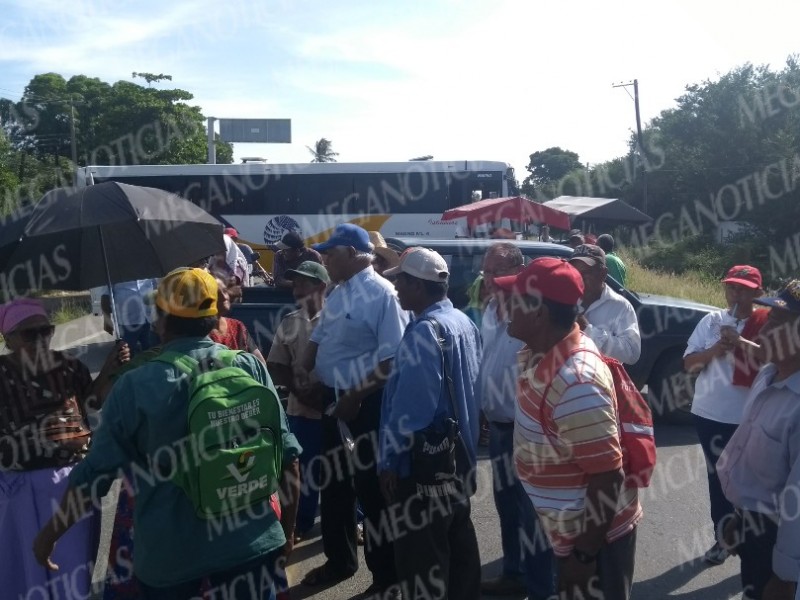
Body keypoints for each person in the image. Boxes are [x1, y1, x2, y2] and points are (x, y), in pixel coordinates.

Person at [33, 268, 302, 600]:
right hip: (253, 544)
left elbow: (94, 477)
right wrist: (286, 533)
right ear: (214, 316)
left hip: (171, 558)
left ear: (160, 319)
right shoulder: (249, 366)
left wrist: (49, 536)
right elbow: (288, 458)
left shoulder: (135, 385)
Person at [497, 258, 642, 600]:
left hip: (594, 541)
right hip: (566, 531)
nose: (506, 308)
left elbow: (608, 477)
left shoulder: (576, 381)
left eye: (514, 300)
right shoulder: (539, 352)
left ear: (539, 314)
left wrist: (584, 557)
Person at [300, 223, 408, 598]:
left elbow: (393, 359)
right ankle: (340, 561)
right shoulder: (338, 291)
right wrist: (314, 373)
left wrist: (354, 397)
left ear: (353, 253)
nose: (325, 259)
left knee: (372, 492)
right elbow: (324, 337)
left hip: (366, 404)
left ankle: (386, 577)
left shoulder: (383, 295)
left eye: (331, 253)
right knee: (335, 486)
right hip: (334, 399)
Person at [0, 297, 127, 599]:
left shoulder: (70, 367)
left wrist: (110, 370)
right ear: (8, 339)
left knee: (70, 569)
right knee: (24, 571)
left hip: (71, 482)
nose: (41, 339)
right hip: (18, 487)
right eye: (30, 334)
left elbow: (90, 405)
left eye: (46, 331)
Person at [378, 247, 482, 599]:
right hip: (457, 459)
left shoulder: (425, 331)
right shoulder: (463, 322)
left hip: (423, 468)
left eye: (401, 283)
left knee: (422, 560)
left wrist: (392, 463)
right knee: (458, 552)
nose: (396, 290)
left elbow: (413, 411)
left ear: (418, 287)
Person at [478, 243, 555, 599]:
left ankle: (542, 586)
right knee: (506, 505)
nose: (488, 278)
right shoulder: (490, 309)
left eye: (496, 271)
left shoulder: (529, 316)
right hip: (497, 427)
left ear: (516, 272)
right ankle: (514, 571)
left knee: (532, 513)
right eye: (486, 271)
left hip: (526, 430)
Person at [717, 279, 800, 600]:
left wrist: (785, 575)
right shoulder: (768, 376)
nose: (762, 332)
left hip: (781, 541)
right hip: (753, 526)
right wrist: (739, 516)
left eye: (776, 323)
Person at [683, 265, 767, 565]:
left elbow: (774, 358)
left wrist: (741, 342)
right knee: (718, 480)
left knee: (754, 485)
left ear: (758, 293)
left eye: (744, 289)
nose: (736, 294)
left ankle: (754, 544)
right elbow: (690, 364)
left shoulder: (767, 322)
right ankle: (722, 539)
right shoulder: (712, 321)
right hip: (709, 415)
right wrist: (718, 347)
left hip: (750, 419)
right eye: (732, 287)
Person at [267, 261, 330, 542]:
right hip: (301, 412)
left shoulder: (340, 319)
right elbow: (276, 364)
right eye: (295, 281)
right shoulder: (290, 322)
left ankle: (354, 521)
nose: (297, 287)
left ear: (321, 286)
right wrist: (300, 391)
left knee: (344, 470)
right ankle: (301, 523)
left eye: (303, 282)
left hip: (337, 410)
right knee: (301, 471)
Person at [569, 244, 641, 365]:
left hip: (600, 381)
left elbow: (632, 353)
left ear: (603, 273)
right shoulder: (564, 298)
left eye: (586, 272)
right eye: (575, 272)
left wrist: (588, 330)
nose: (579, 278)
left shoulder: (621, 307)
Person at [209, 271, 266, 363]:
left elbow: (260, 362)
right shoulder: (202, 332)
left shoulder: (237, 326)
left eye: (224, 291)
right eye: (217, 294)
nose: (224, 297)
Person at [101, 279, 158, 355]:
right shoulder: (113, 270)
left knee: (152, 352)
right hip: (127, 323)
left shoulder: (148, 269)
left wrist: (158, 315)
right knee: (127, 354)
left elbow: (155, 289)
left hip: (148, 319)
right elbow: (105, 296)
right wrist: (107, 319)